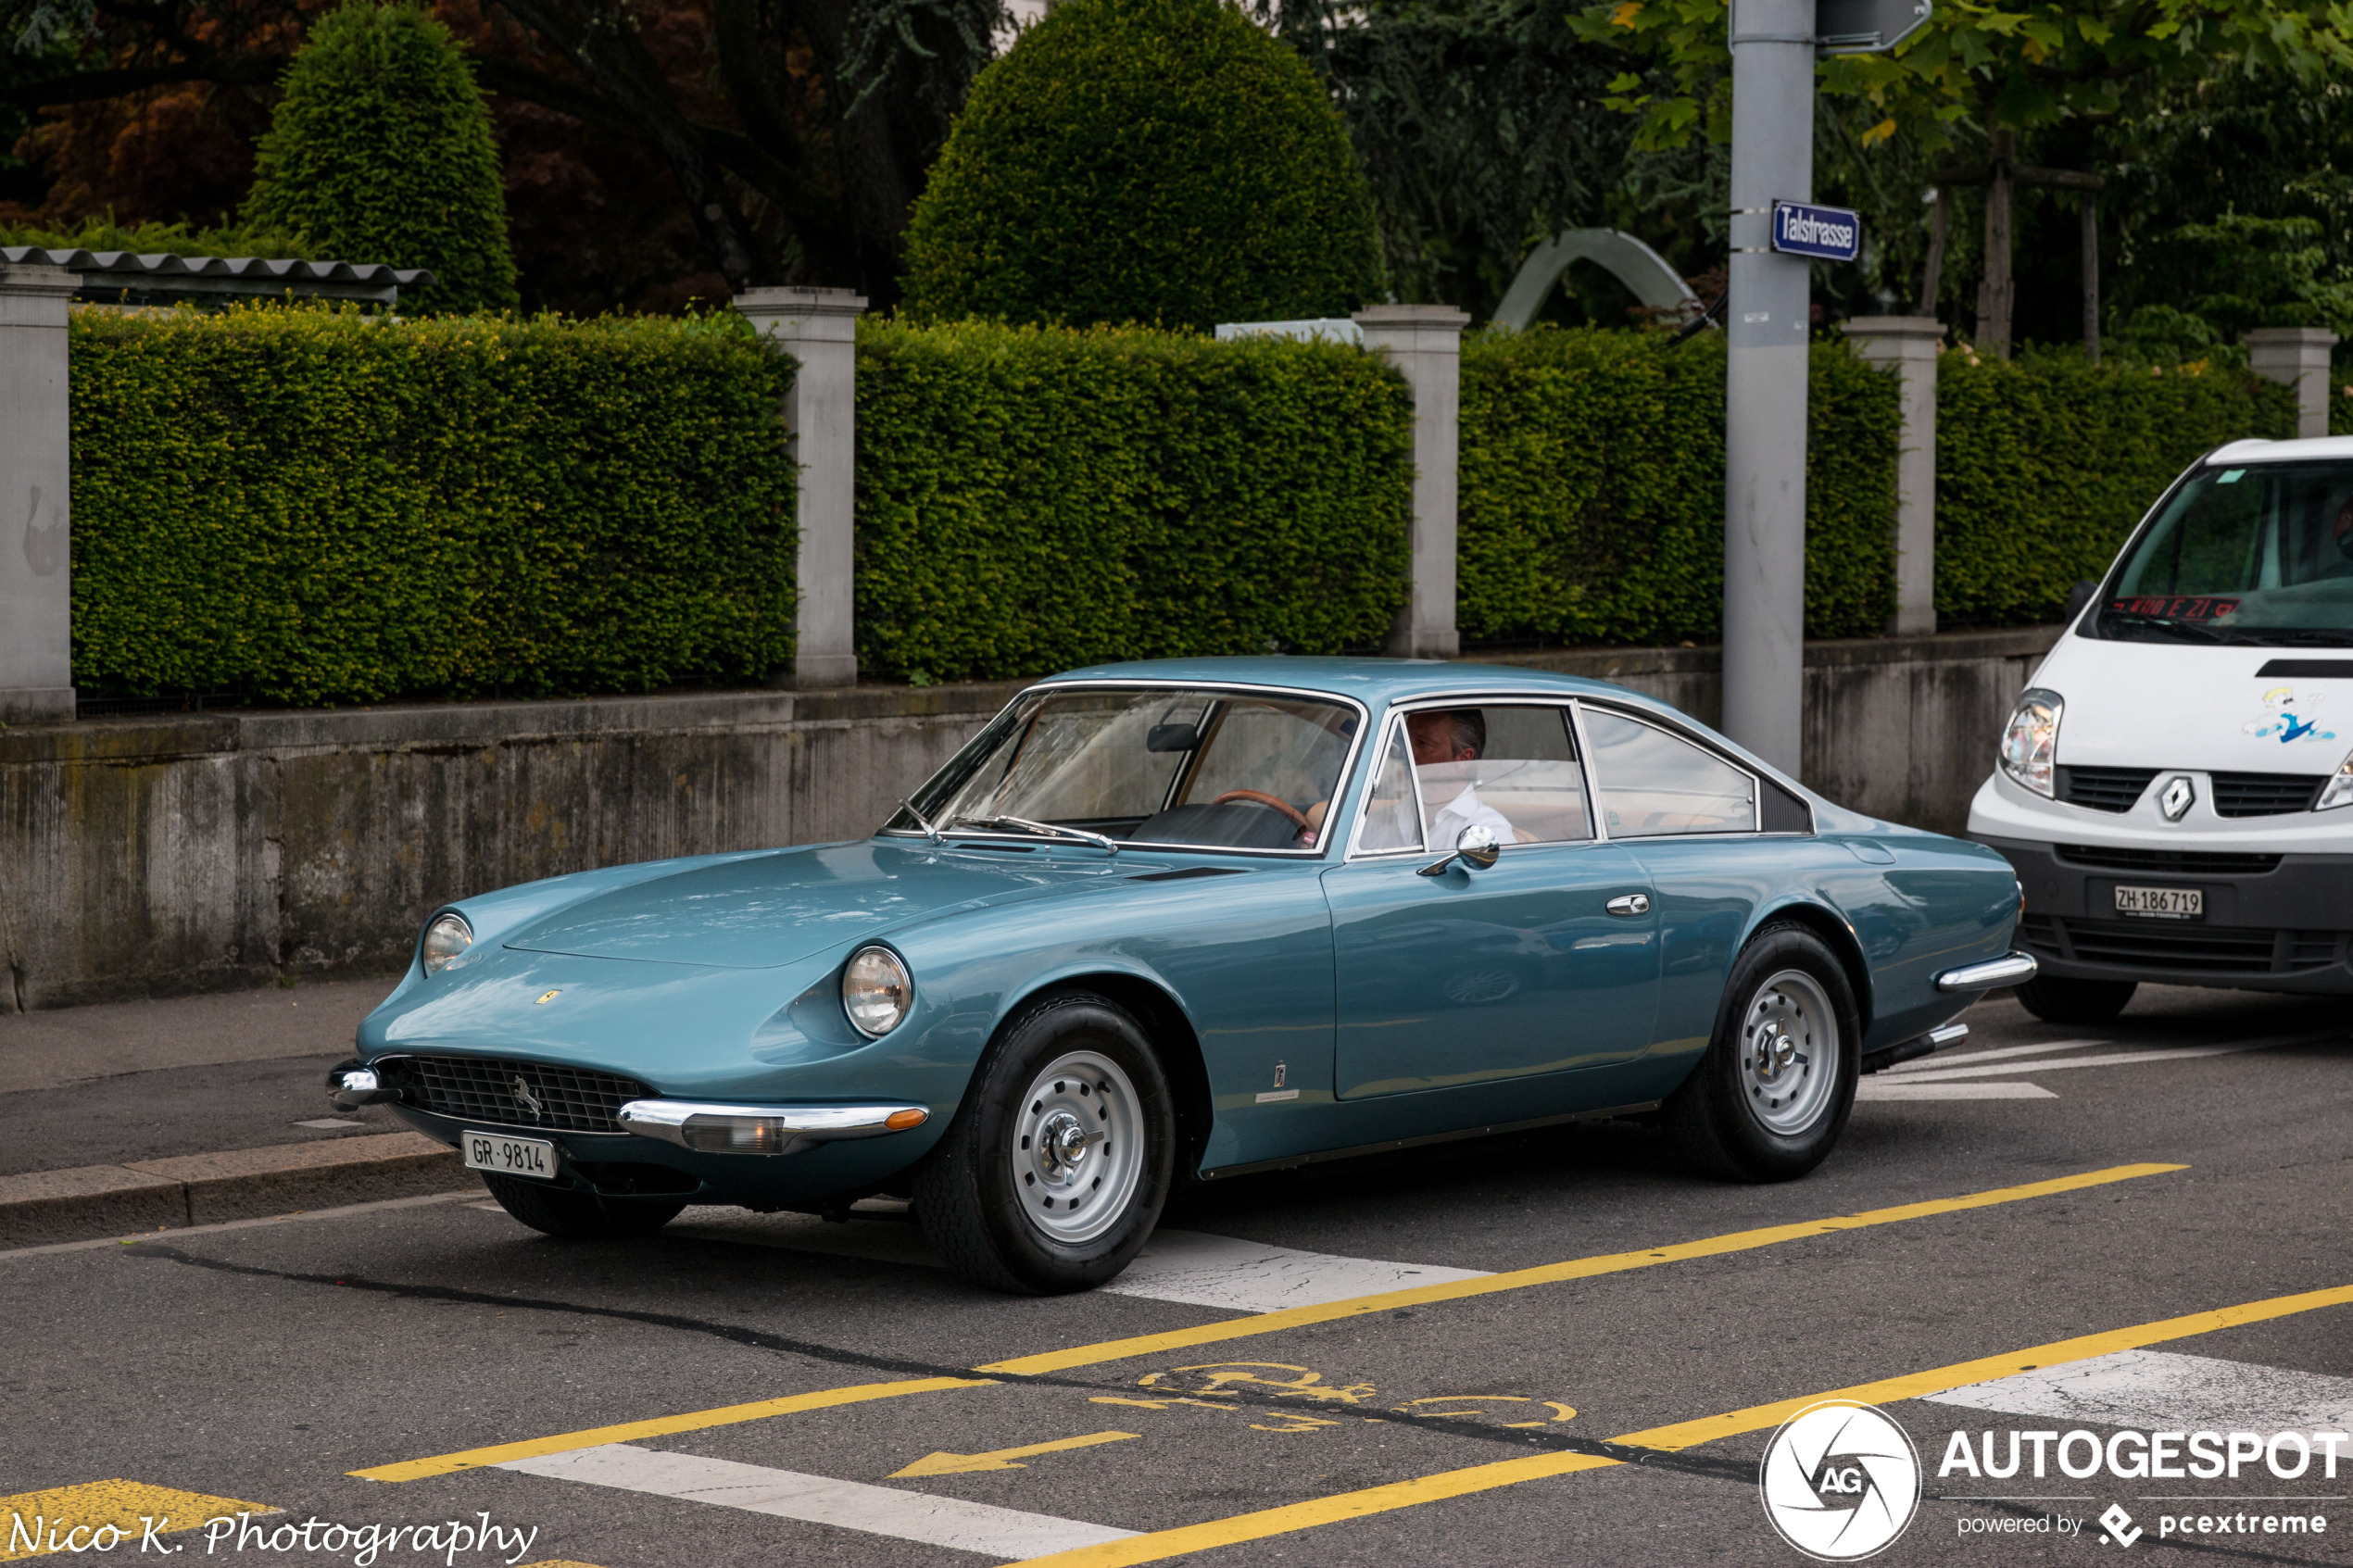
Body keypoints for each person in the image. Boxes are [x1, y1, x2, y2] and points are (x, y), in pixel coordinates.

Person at [1406, 709, 1516, 847]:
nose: (1407, 753)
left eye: (1423, 744)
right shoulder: (1382, 818)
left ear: (1463, 759)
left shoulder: (1487, 833)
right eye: (1404, 741)